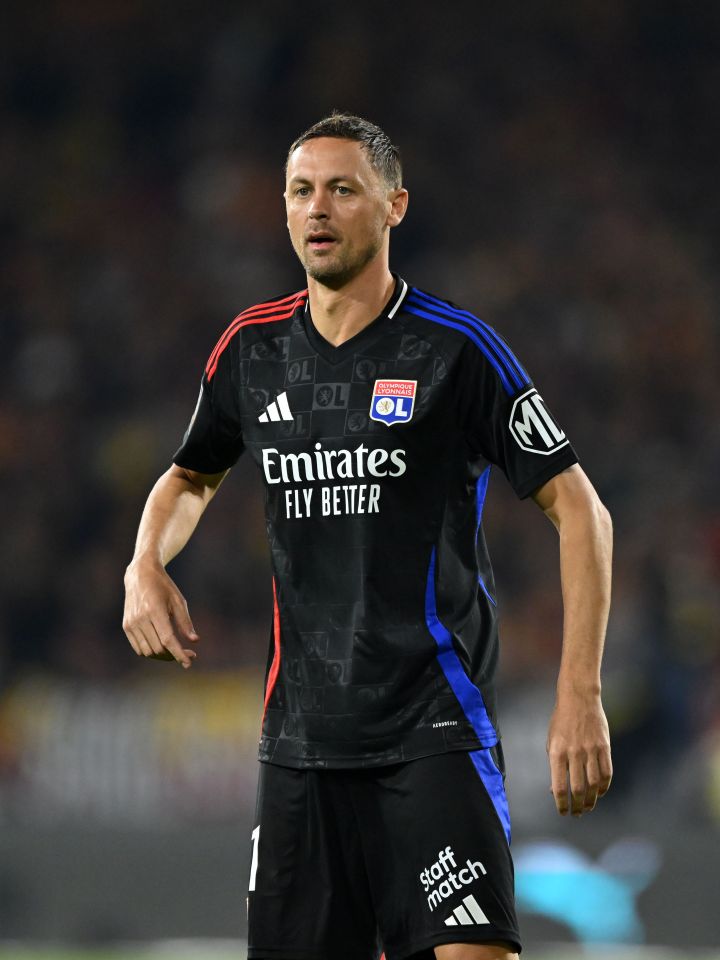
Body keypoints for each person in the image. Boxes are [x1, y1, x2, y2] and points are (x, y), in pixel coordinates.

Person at [123, 113, 613, 960]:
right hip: (302, 746)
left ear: (394, 207)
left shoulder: (455, 350)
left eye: (343, 190)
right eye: (301, 191)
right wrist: (142, 566)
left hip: (434, 732)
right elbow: (190, 475)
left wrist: (579, 693)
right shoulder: (252, 349)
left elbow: (582, 511)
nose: (318, 209)